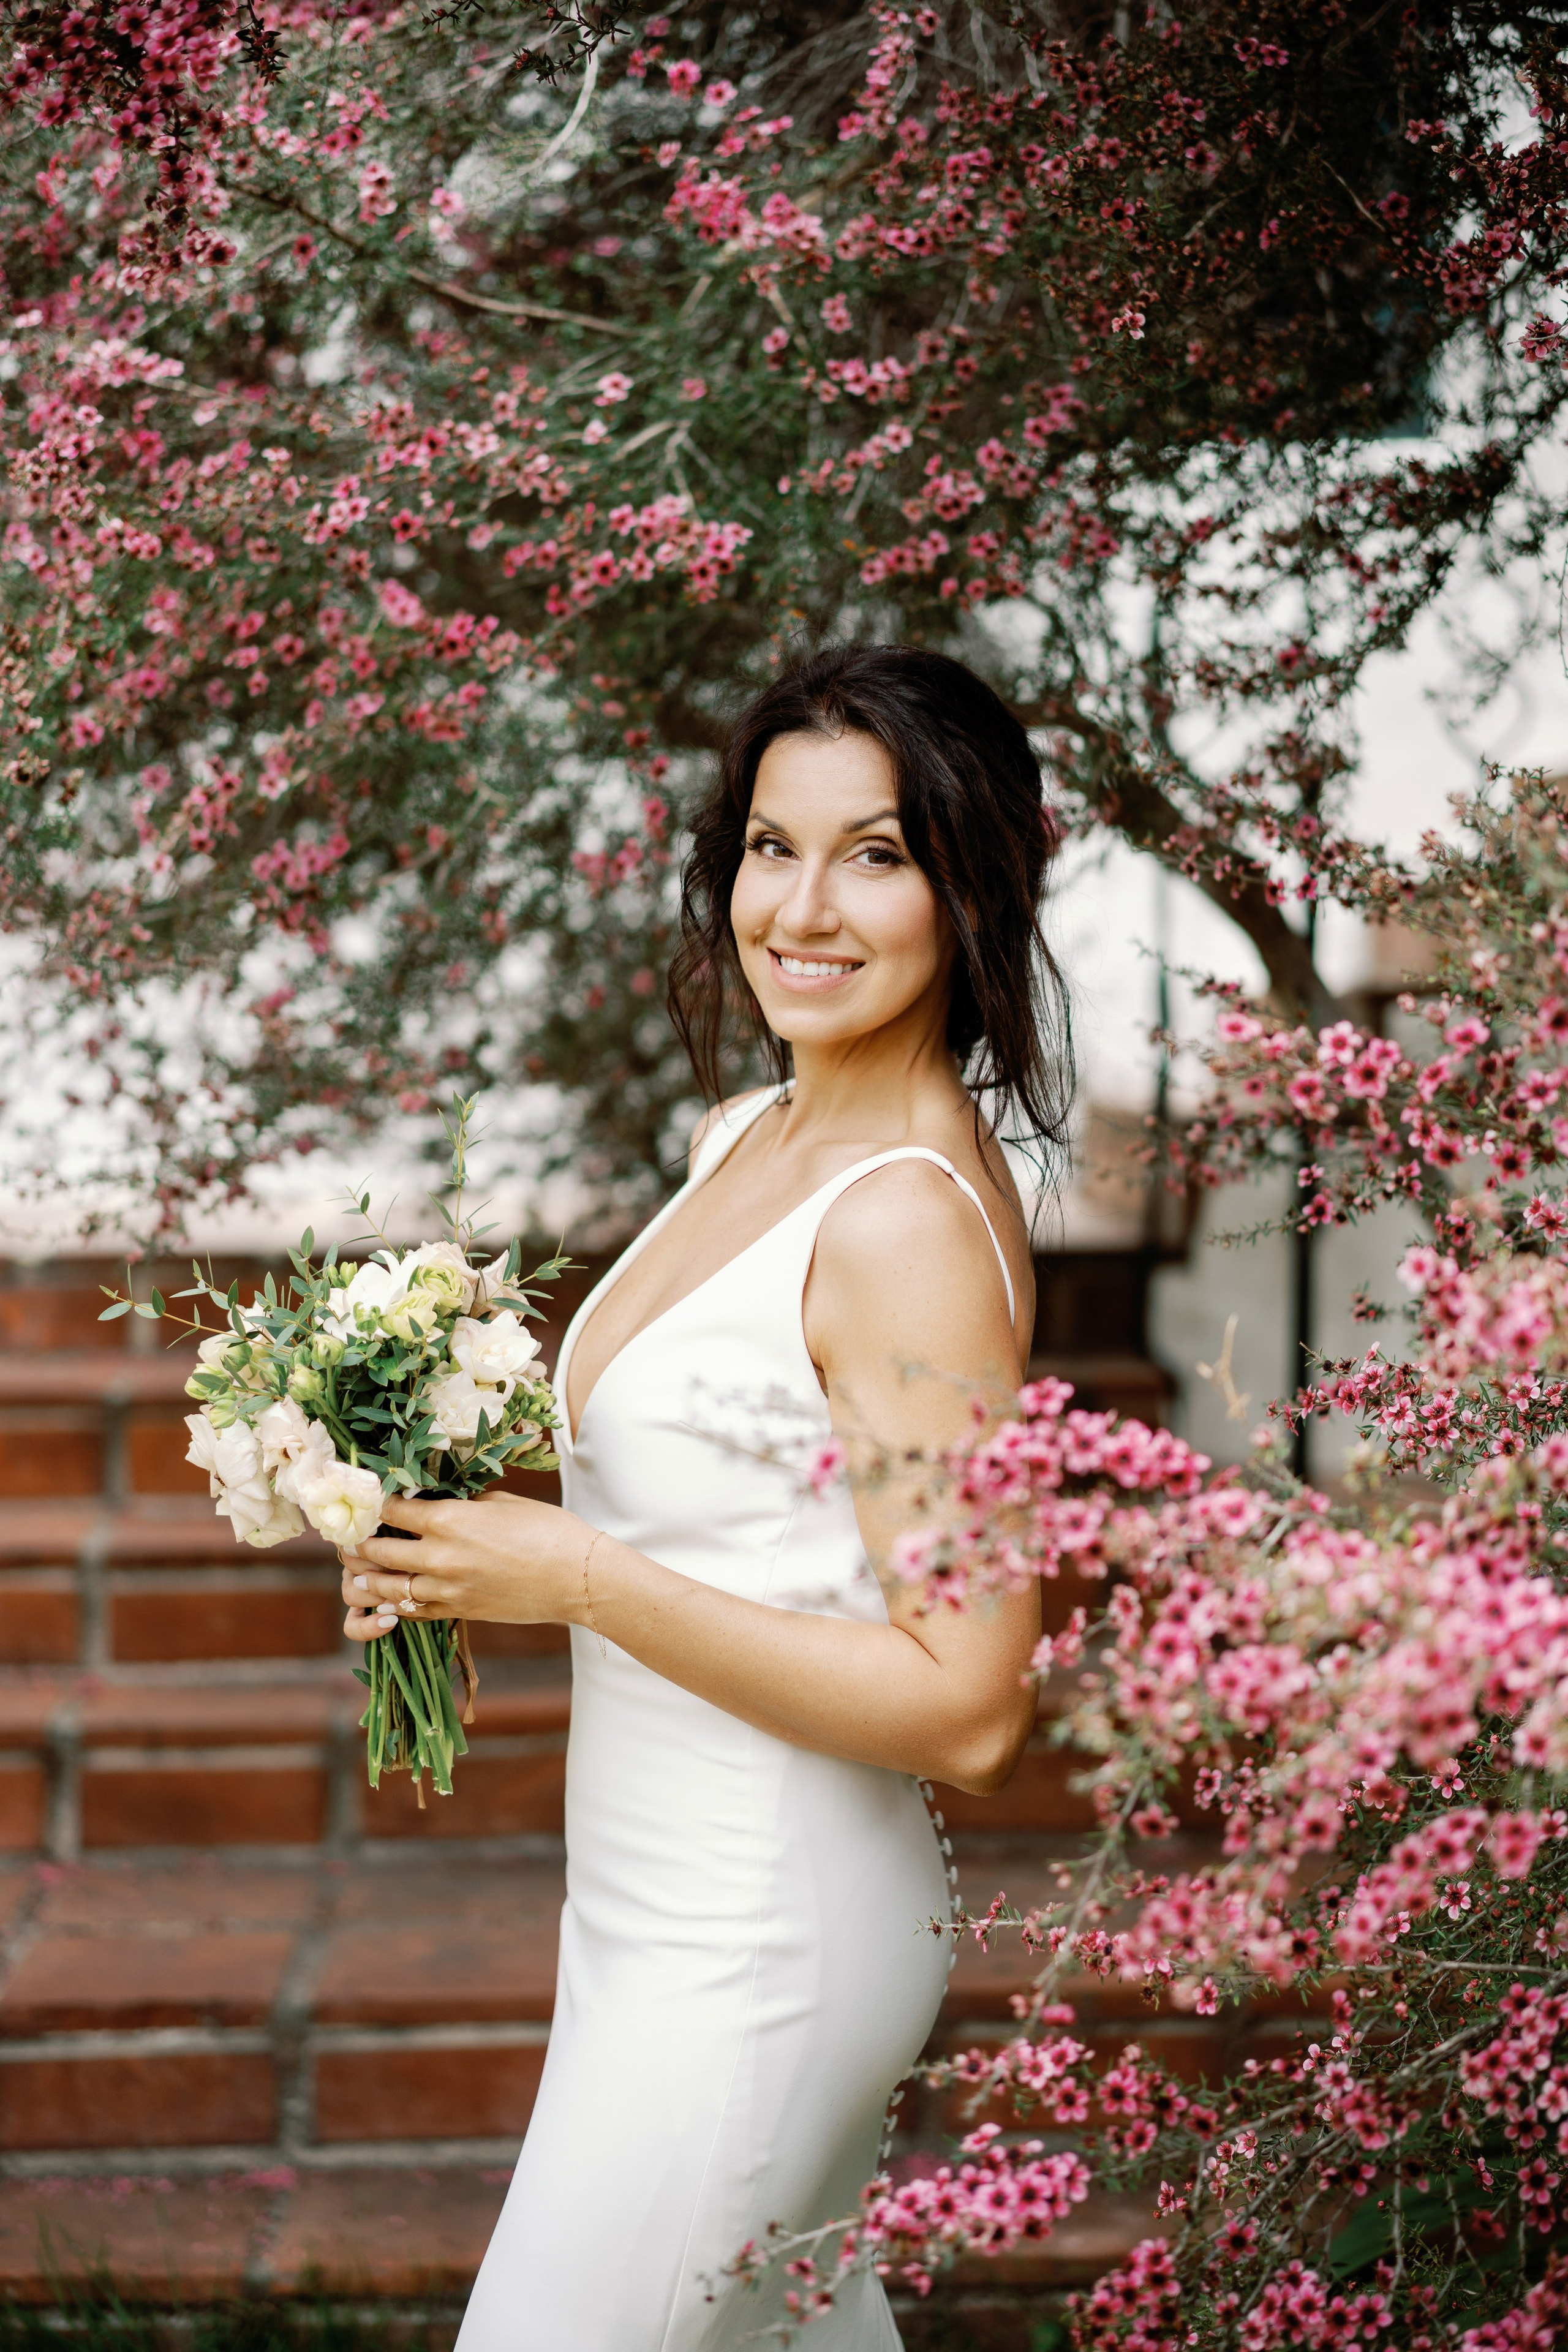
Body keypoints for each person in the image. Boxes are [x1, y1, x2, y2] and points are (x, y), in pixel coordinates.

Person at [341, 643, 1072, 2348]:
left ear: (974, 887)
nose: (802, 908)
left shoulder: (899, 1224)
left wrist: (581, 1581)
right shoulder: (745, 1134)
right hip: (645, 1918)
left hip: (756, 1949)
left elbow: (971, 1706)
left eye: (876, 854)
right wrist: (434, 1539)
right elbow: (723, 1508)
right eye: (770, 842)